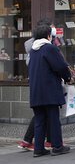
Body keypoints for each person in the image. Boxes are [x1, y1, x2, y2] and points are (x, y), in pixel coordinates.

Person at [28, 23, 72, 157]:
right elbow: (60, 67)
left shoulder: (32, 50)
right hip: (49, 90)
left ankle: (38, 149)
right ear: (48, 35)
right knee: (53, 119)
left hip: (35, 91)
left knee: (40, 120)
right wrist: (68, 77)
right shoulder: (49, 49)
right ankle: (57, 146)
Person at [18, 20, 54, 151]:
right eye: (51, 28)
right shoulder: (42, 47)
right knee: (45, 113)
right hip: (46, 85)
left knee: (43, 113)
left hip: (37, 85)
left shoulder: (35, 47)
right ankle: (39, 141)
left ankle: (39, 143)